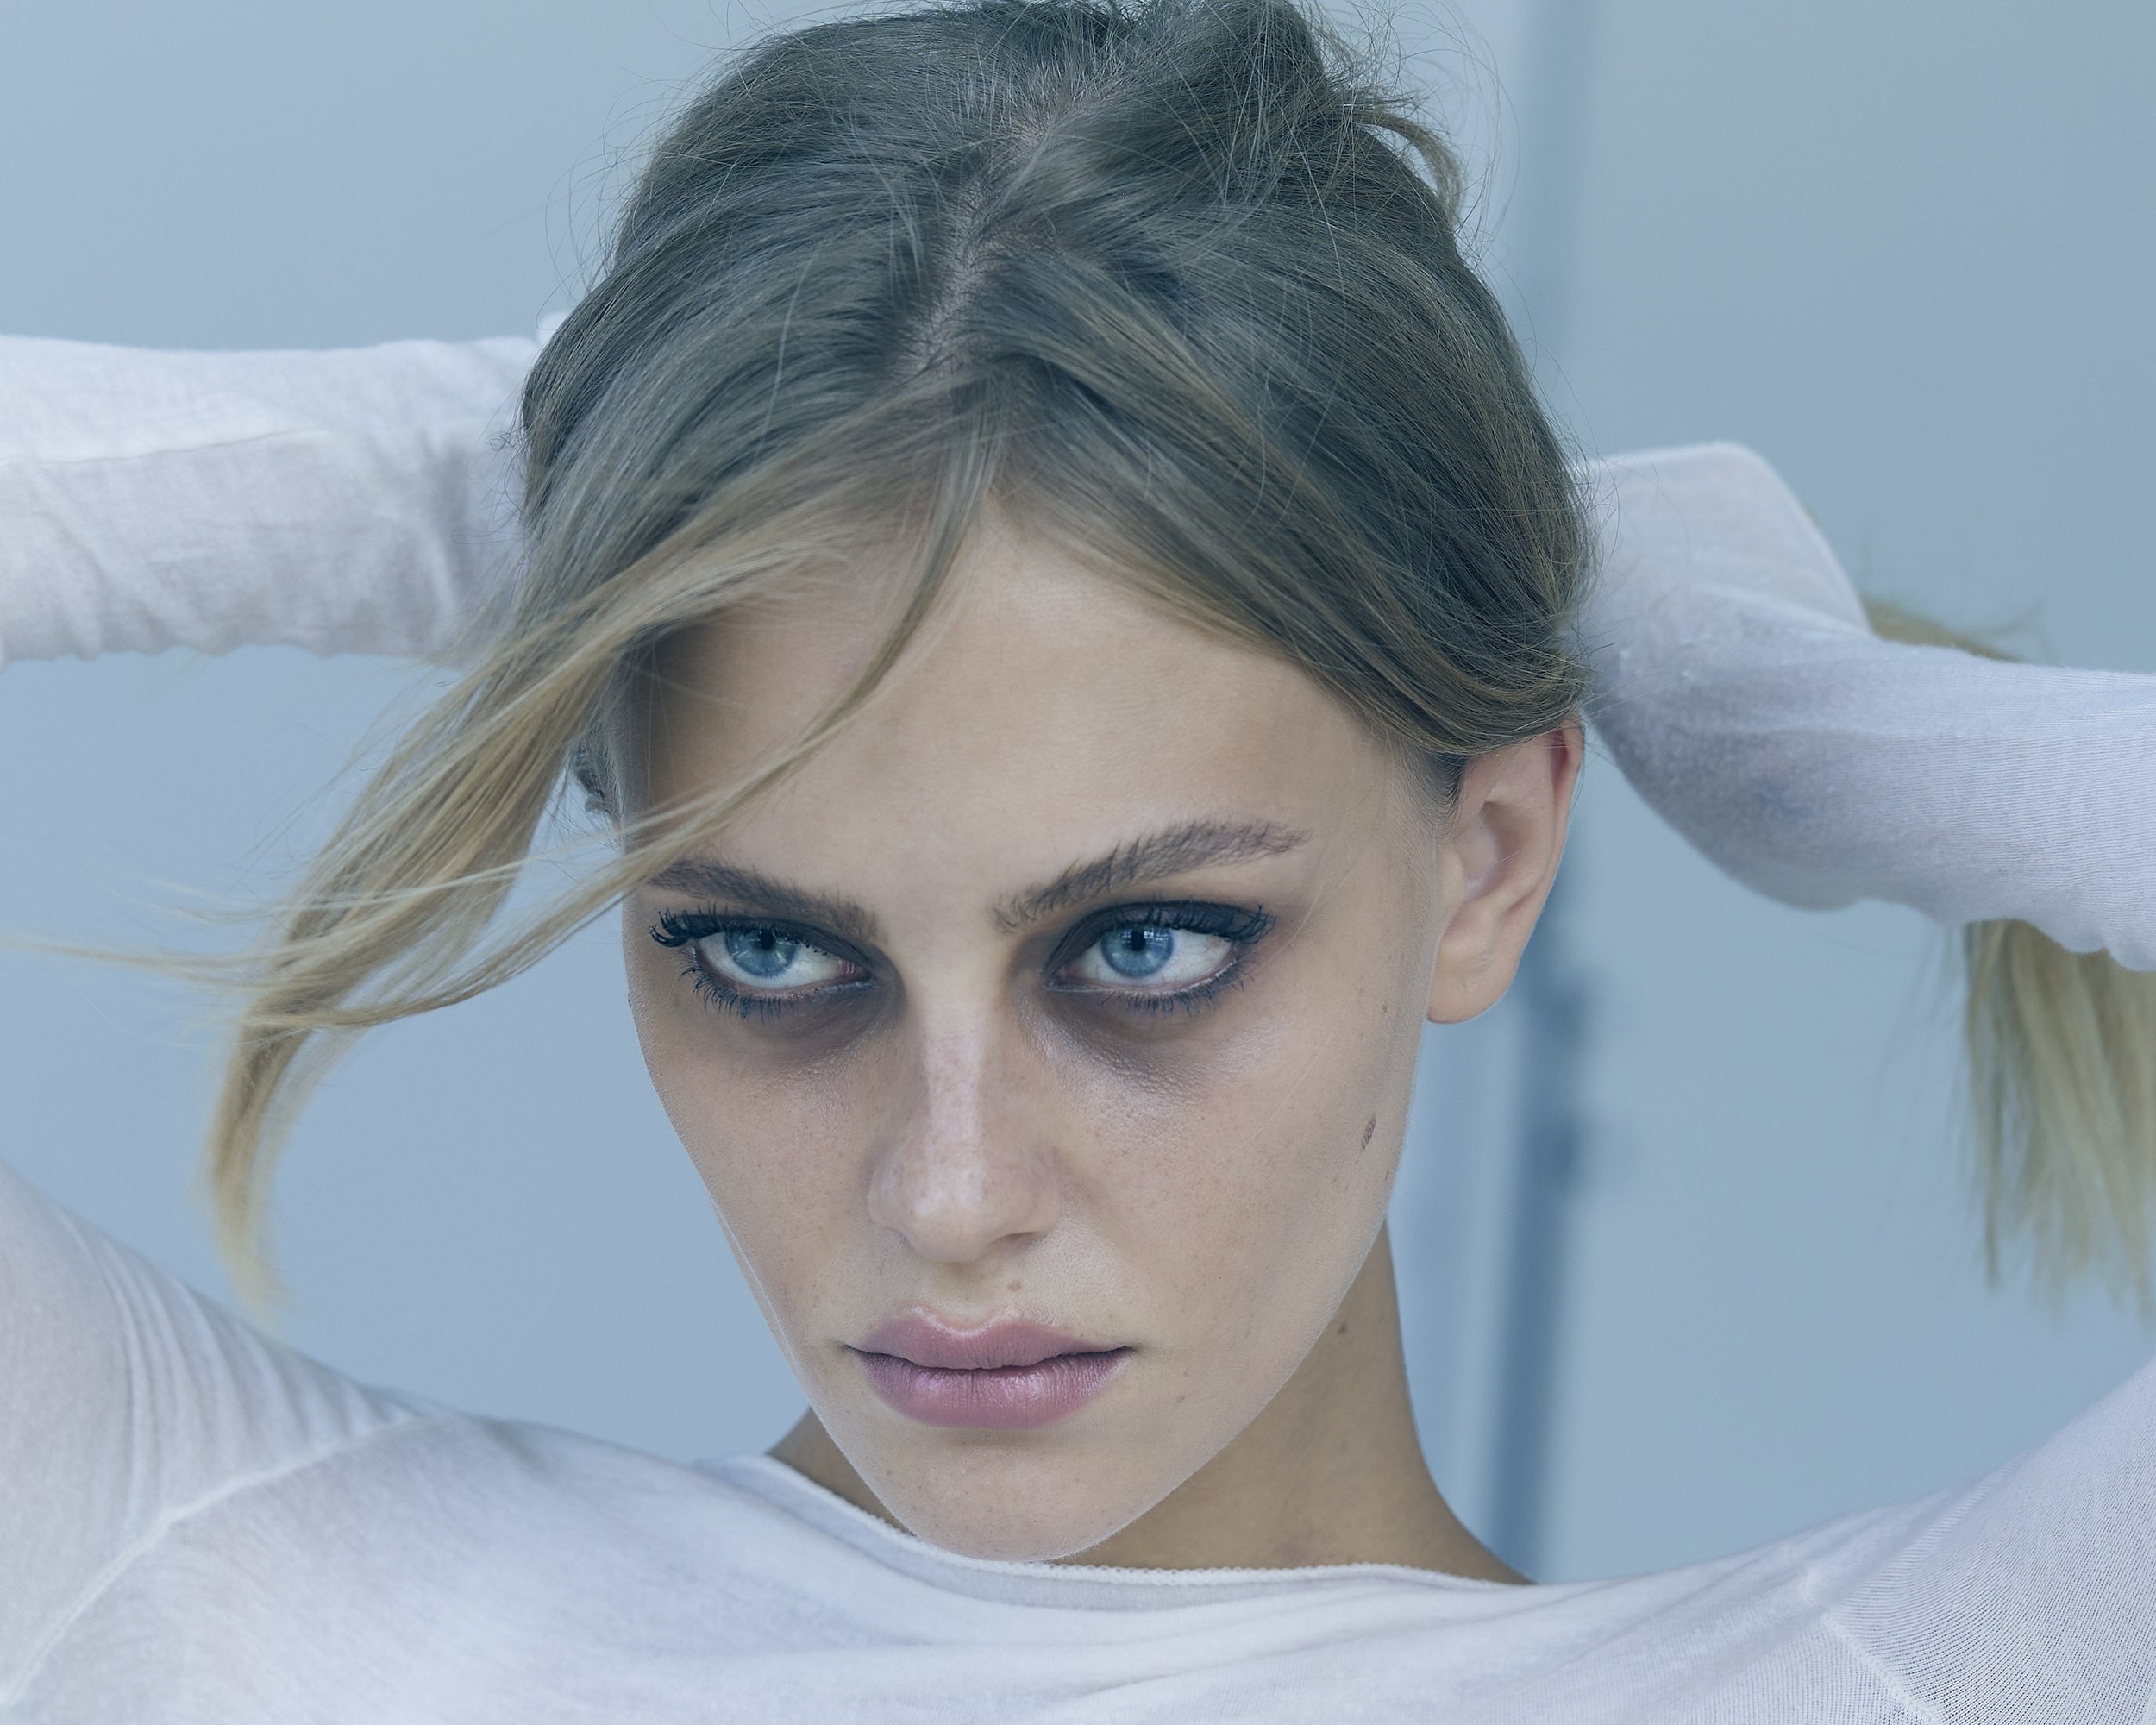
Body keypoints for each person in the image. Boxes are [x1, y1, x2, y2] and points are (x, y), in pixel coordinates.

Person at [3, 0, 2152, 1716]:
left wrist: (1782, 710)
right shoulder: (216, 1567)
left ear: (1486, 856)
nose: (949, 1192)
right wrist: (551, 476)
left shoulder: (1915, 1680)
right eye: (767, 956)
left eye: (1142, 944)